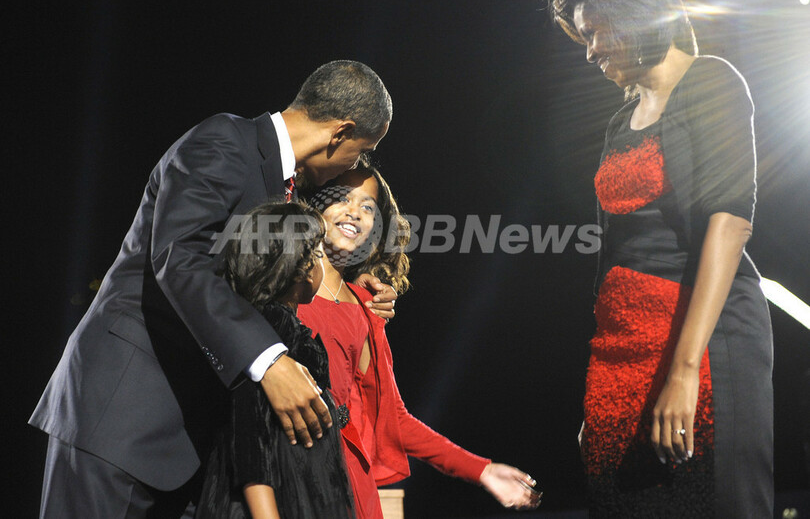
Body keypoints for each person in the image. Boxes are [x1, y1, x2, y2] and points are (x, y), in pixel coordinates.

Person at [30, 60, 397, 518]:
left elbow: (269, 273)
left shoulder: (284, 187)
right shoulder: (225, 141)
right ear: (340, 133)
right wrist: (269, 362)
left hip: (190, 445)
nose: (357, 164)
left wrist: (352, 284)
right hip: (124, 418)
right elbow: (180, 259)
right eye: (363, 150)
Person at [534, 0, 773, 518]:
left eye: (595, 32)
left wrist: (684, 370)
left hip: (703, 340)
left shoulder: (711, 80)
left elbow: (731, 219)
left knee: (714, 499)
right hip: (622, 346)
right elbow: (612, 254)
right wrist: (602, 392)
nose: (590, 51)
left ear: (636, 14)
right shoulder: (620, 118)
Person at [298, 161, 542, 517]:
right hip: (291, 478)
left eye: (368, 207)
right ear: (314, 205)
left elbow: (393, 418)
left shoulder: (369, 307)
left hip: (351, 491)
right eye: (342, 198)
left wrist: (481, 469)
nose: (355, 212)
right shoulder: (284, 290)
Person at [196, 201, 355, 519]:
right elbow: (250, 434)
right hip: (274, 501)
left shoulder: (273, 326)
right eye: (320, 254)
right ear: (301, 266)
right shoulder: (271, 327)